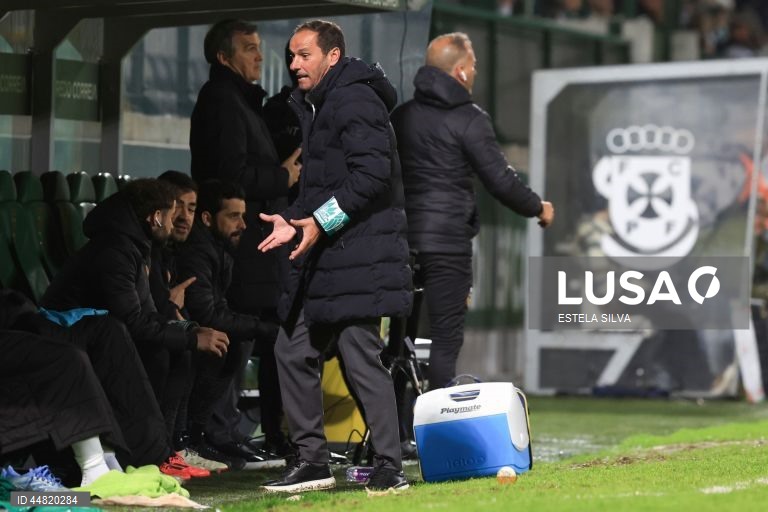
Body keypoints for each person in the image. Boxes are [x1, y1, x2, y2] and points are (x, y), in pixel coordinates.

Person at [257, 20, 412, 494]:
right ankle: (313, 460)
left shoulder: (354, 100)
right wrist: (294, 218)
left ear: (333, 57)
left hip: (356, 255)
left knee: (357, 353)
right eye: (290, 56)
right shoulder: (322, 104)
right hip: (329, 257)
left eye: (304, 55)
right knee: (292, 348)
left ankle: (389, 463)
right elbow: (325, 186)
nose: (294, 64)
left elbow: (371, 177)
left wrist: (319, 221)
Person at [391, 32, 554, 390]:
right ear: (461, 72)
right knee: (445, 340)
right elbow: (501, 181)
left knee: (398, 339)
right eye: (474, 65)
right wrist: (537, 207)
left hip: (400, 240)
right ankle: (434, 431)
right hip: (448, 244)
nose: (476, 71)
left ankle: (394, 434)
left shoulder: (401, 116)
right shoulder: (469, 118)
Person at [40, 179, 230, 477]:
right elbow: (134, 322)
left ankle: (166, 449)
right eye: (170, 213)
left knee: (177, 350)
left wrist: (188, 330)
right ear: (155, 217)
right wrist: (191, 337)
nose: (174, 221)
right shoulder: (115, 250)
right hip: (69, 337)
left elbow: (151, 307)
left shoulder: (138, 246)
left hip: (102, 333)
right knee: (159, 352)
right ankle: (148, 454)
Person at [190, 18, 296, 460]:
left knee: (253, 338)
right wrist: (283, 175)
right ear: (223, 57)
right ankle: (211, 433)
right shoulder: (221, 101)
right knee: (236, 337)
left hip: (254, 248)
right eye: (249, 47)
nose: (260, 56)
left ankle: (236, 432)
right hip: (243, 248)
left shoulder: (241, 101)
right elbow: (228, 178)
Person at [176, 179, 284, 470]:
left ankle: (202, 437)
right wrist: (264, 329)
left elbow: (216, 309)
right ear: (209, 218)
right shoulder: (198, 252)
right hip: (177, 337)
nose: (243, 225)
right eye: (233, 216)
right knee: (222, 343)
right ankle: (191, 440)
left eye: (243, 215)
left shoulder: (217, 250)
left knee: (234, 340)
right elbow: (207, 315)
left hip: (186, 332)